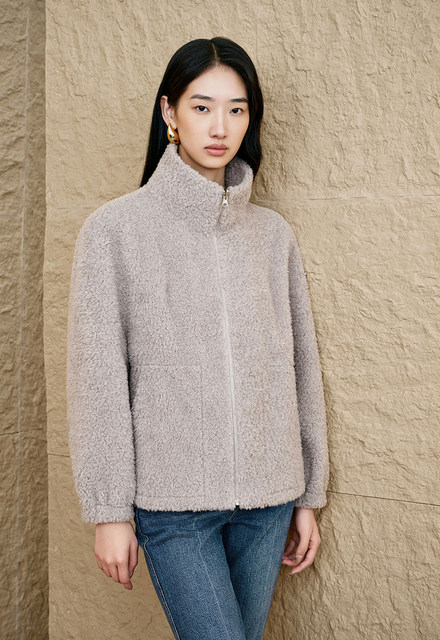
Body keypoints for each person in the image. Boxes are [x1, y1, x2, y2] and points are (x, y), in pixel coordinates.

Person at [66, 36, 330, 640]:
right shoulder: (114, 232)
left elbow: (300, 367)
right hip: (174, 508)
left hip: (269, 501)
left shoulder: (273, 236)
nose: (220, 126)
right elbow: (97, 381)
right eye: (202, 106)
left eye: (237, 109)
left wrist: (307, 494)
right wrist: (109, 511)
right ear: (170, 112)